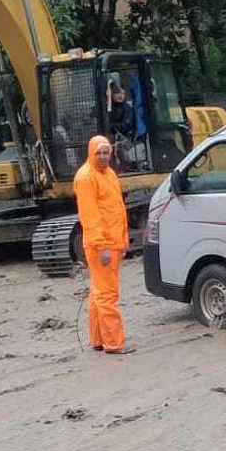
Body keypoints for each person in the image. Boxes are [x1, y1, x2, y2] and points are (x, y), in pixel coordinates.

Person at [75, 135, 134, 352]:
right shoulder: (86, 178)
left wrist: (122, 242)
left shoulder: (109, 174)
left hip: (112, 243)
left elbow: (117, 210)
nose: (102, 156)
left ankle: (99, 339)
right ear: (91, 152)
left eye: (106, 152)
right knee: (107, 294)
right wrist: (102, 247)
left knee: (98, 292)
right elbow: (90, 217)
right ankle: (114, 343)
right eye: (98, 153)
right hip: (102, 246)